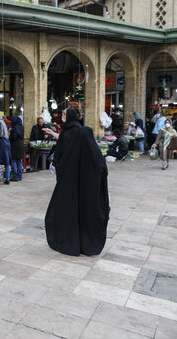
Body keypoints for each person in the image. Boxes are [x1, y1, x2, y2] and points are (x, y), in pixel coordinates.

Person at [45, 108, 110, 257]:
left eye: (63, 114)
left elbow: (59, 158)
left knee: (67, 209)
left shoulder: (71, 133)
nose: (61, 117)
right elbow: (98, 162)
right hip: (84, 180)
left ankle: (70, 239)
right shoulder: (82, 132)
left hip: (69, 180)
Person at [0, 114, 11, 185]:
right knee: (7, 162)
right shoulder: (4, 124)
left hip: (1, 143)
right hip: (7, 142)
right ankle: (7, 178)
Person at [9, 116, 24, 182]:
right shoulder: (22, 127)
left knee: (13, 161)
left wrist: (10, 135)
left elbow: (14, 137)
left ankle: (15, 177)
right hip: (21, 146)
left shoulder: (15, 128)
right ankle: (20, 176)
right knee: (19, 161)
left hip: (15, 146)